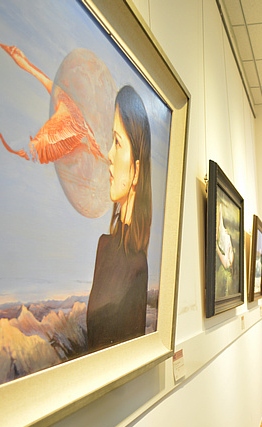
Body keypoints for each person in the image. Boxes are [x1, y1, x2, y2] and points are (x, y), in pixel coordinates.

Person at [87, 86, 152, 351]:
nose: (109, 155)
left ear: (136, 171)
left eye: (117, 142)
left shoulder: (138, 264)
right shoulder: (103, 247)